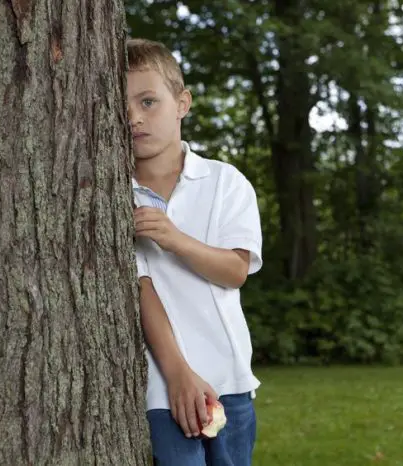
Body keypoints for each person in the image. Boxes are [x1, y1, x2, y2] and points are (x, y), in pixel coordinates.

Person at [127, 38, 262, 466]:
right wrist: (178, 374)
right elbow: (142, 288)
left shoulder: (225, 182)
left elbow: (235, 270)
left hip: (230, 378)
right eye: (121, 105)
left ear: (182, 102)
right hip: (163, 387)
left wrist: (172, 236)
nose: (133, 117)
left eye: (148, 102)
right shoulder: (115, 197)